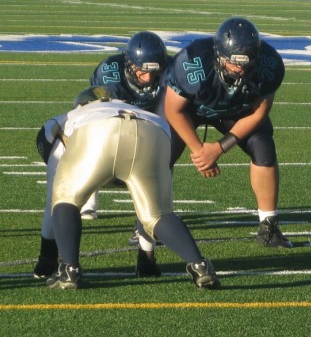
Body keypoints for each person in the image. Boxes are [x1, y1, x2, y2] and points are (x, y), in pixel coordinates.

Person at [44, 86, 219, 290]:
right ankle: (200, 267)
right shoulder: (144, 112)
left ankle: (69, 271)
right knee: (158, 214)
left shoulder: (74, 114)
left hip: (97, 131)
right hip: (153, 131)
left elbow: (47, 137)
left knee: (66, 198)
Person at [33, 31, 171, 280]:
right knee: (60, 192)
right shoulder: (109, 73)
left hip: (141, 135)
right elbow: (98, 102)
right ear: (129, 66)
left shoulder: (170, 73)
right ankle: (50, 255)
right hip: (111, 137)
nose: (149, 78)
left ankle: (145, 255)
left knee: (152, 202)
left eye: (155, 71)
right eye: (142, 71)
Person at [161, 16, 290, 248]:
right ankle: (151, 221)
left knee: (263, 147)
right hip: (191, 109)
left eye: (245, 63)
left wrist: (220, 147)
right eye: (233, 63)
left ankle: (269, 226)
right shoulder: (192, 61)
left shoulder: (269, 65)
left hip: (238, 110)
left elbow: (259, 113)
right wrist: (200, 152)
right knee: (162, 151)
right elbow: (173, 109)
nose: (239, 70)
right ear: (219, 55)